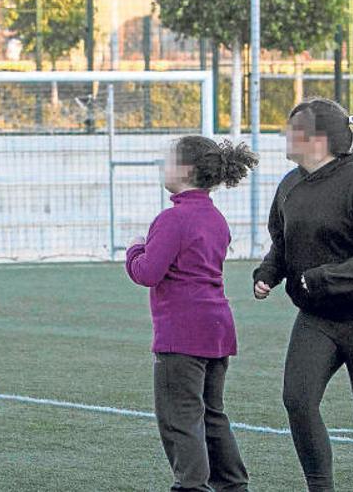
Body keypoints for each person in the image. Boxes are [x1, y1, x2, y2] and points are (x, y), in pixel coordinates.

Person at [254, 98, 353, 491]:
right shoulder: (290, 184)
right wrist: (268, 273)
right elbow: (283, 242)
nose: (284, 134)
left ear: (317, 140)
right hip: (317, 319)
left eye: (291, 127)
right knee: (297, 399)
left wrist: (326, 277)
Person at [126, 135, 256, 492]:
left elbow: (148, 272)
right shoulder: (216, 218)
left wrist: (135, 248)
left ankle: (191, 486)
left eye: (168, 161)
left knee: (179, 419)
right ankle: (233, 485)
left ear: (185, 170)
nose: (163, 167)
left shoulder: (172, 219)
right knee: (212, 414)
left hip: (182, 333)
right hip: (217, 327)